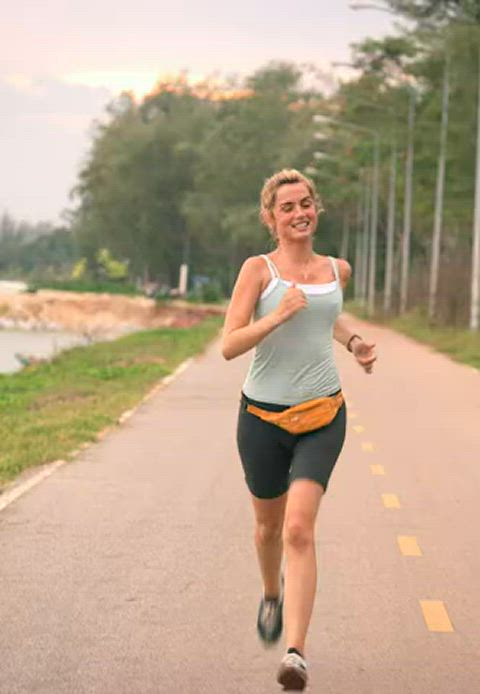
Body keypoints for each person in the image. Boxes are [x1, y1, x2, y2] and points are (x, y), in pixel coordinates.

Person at [222, 169, 377, 691]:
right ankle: (271, 592)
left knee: (298, 528)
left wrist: (353, 342)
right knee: (267, 528)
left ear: (317, 208)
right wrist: (277, 316)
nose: (299, 213)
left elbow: (324, 317)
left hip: (322, 414)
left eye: (306, 203)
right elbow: (230, 343)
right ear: (271, 218)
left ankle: (295, 653)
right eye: (286, 207)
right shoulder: (258, 270)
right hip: (261, 418)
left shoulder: (338, 269)